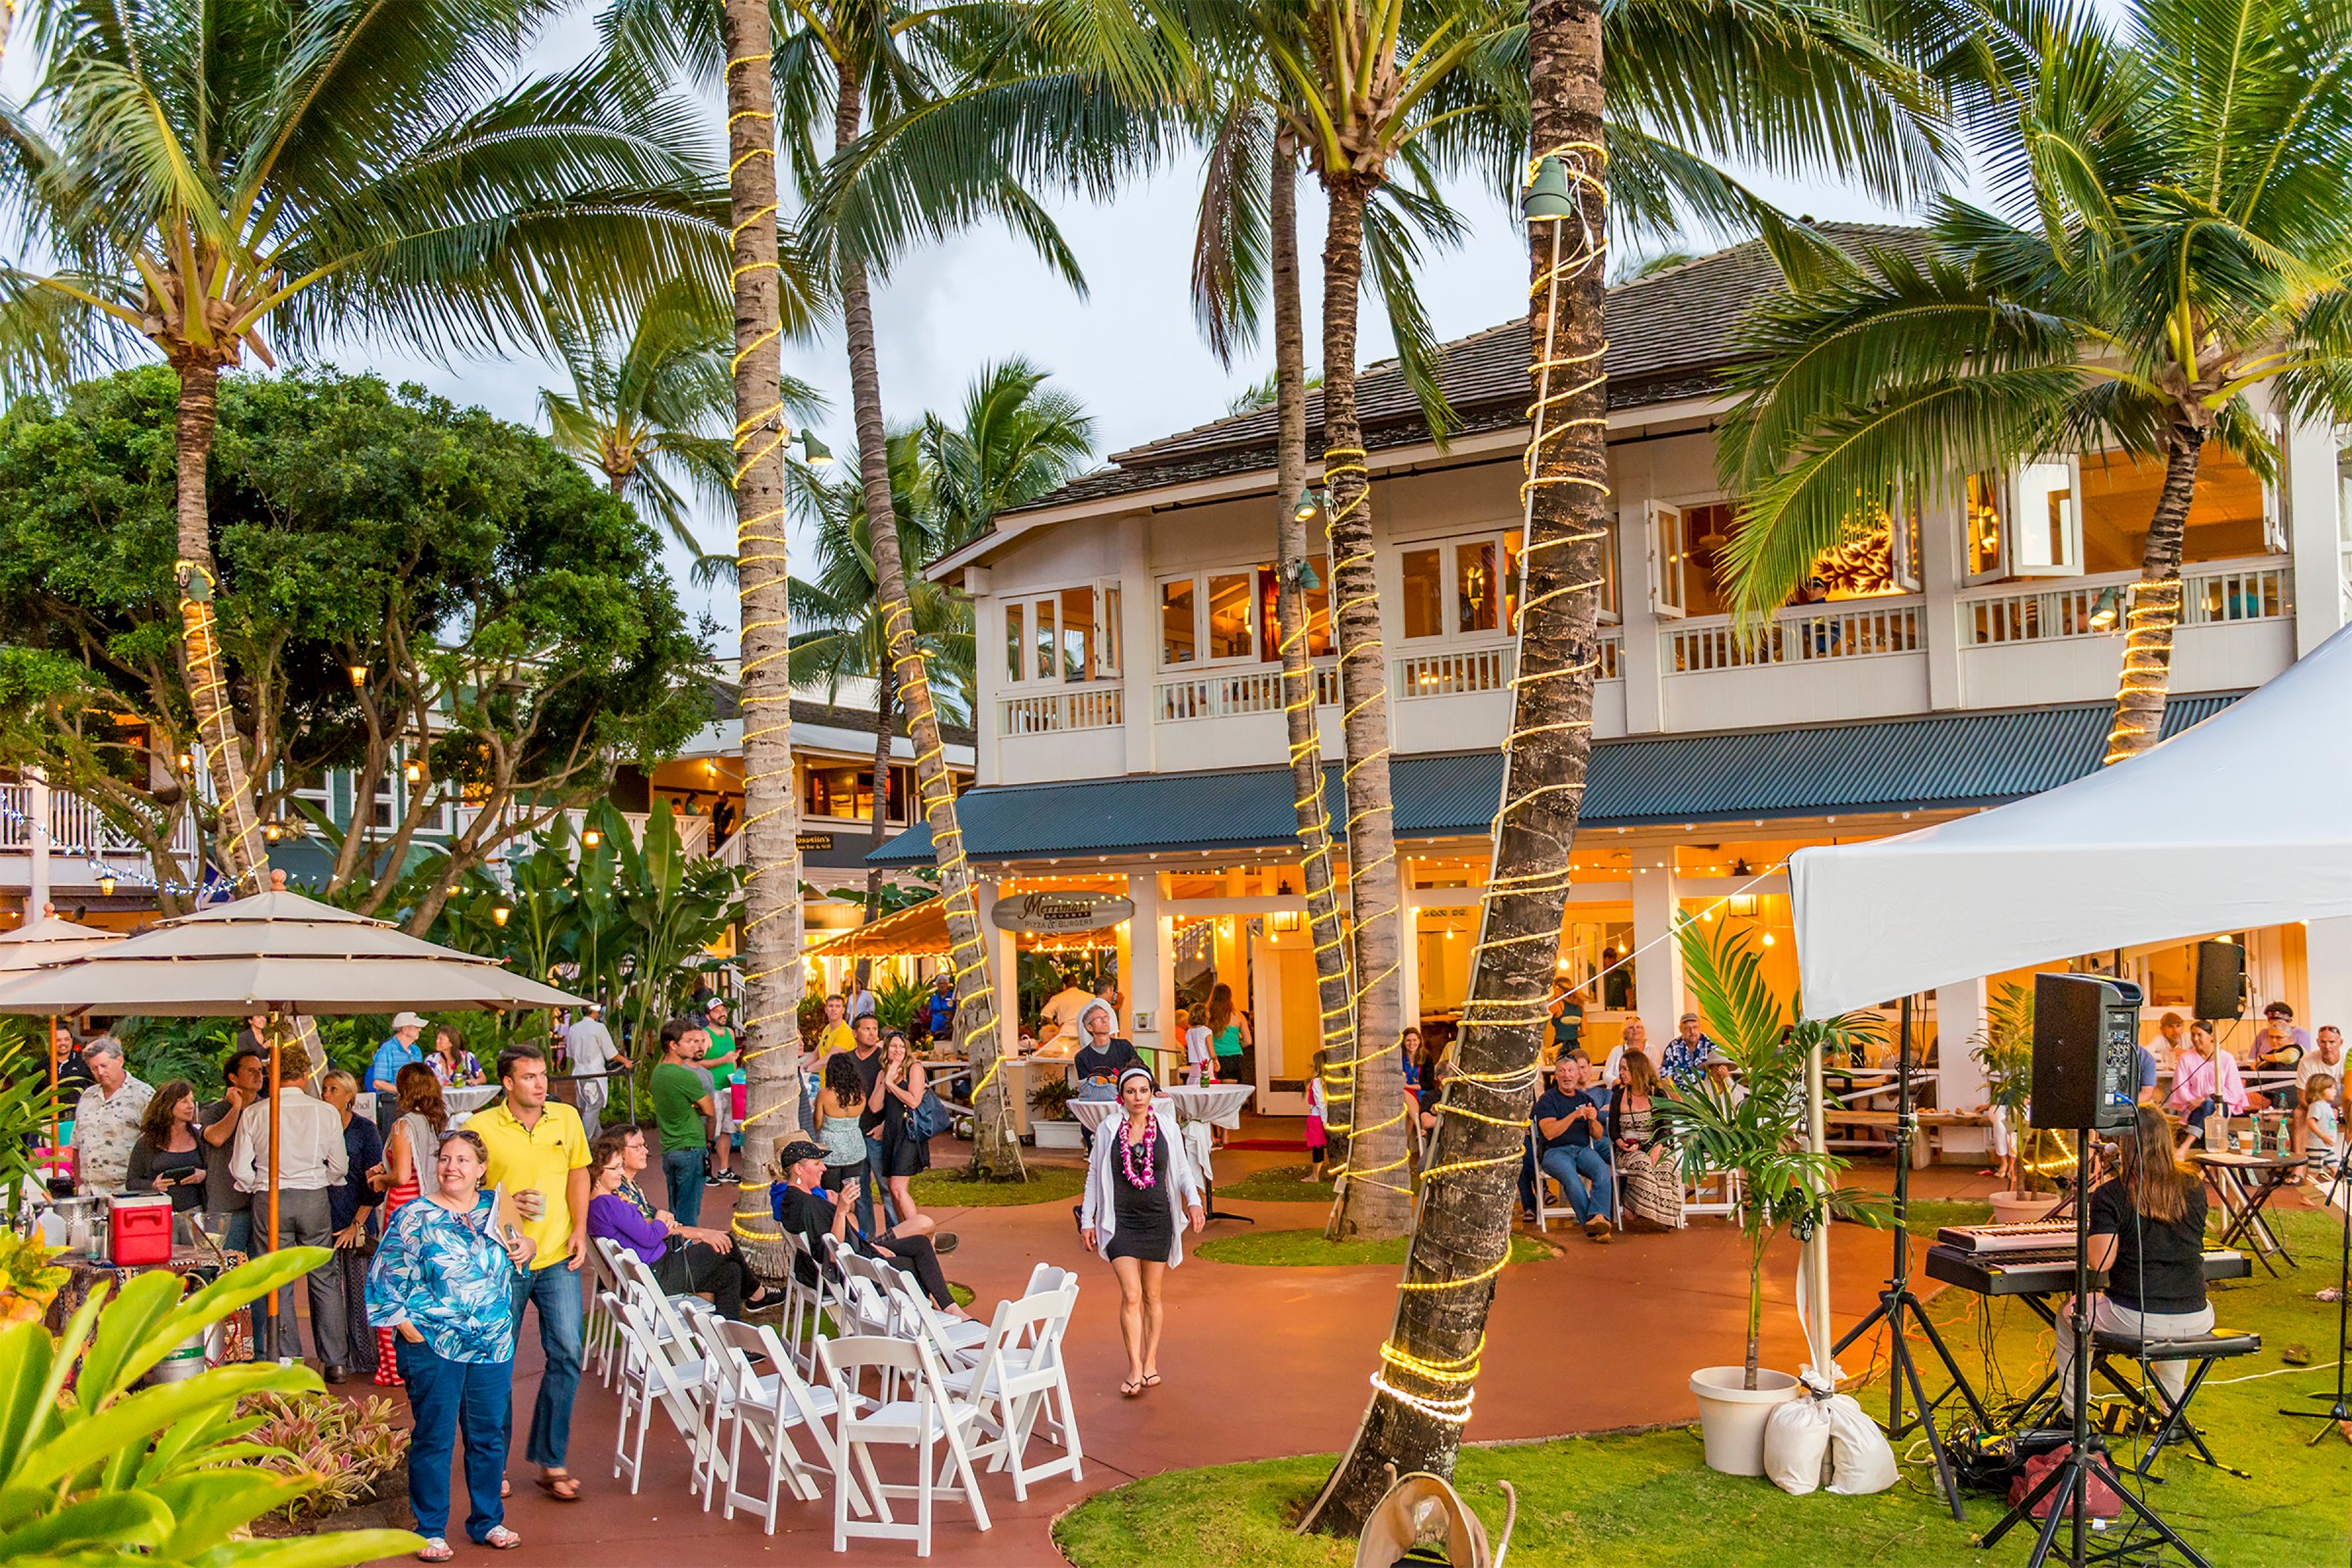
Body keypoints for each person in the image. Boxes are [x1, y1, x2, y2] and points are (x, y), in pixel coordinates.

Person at [367, 1127, 532, 1561]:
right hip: (433, 1342)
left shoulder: (497, 1204)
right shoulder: (414, 1215)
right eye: (444, 1158)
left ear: (480, 1169)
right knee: (435, 1437)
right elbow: (384, 1279)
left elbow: (523, 1246)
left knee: (488, 1435)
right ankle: (430, 1529)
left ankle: (487, 1520)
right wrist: (408, 1328)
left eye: (462, 1160)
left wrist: (528, 1244)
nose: (451, 1167)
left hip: (491, 1341)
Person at [471, 1043, 591, 1503]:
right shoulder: (479, 1127)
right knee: (497, 1360)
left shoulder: (566, 1119)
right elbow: (462, 1189)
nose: (540, 1084)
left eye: (543, 1075)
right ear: (507, 1083)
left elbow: (579, 1173)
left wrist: (580, 1228)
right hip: (503, 1258)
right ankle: (493, 1464)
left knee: (567, 1353)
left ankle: (550, 1458)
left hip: (558, 1254)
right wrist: (500, 1202)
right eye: (529, 1077)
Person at [2050, 1104, 2214, 1407]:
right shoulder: (2193, 1186)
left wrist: (2095, 1217)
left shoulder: (2112, 1194)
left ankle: (2074, 1415)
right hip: (2196, 1313)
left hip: (2135, 1315)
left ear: (2124, 1143)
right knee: (2171, 1331)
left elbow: (2100, 1262)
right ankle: (2171, 1414)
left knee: (2069, 1315)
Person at [1079, 1067, 1206, 1396]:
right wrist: (1087, 1220)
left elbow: (1181, 1169)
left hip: (1157, 1218)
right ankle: (1134, 1367)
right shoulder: (1108, 1128)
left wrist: (1193, 1201)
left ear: (1152, 1093)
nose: (1138, 1097)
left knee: (1152, 1295)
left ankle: (1150, 1362)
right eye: (1131, 1091)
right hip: (1120, 1219)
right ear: (1122, 1096)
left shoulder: (1165, 1126)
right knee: (1131, 1294)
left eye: (1144, 1090)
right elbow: (1094, 1174)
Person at [230, 1042, 351, 1370]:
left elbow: (239, 1169)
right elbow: (340, 1166)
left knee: (278, 1276)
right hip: (313, 1196)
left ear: (272, 1075)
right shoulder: (325, 1111)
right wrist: (320, 1178)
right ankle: (336, 1361)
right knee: (324, 1276)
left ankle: (286, 1359)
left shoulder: (255, 1113)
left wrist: (256, 1185)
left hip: (270, 1196)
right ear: (306, 1074)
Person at [584, 1131, 780, 1319]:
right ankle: (757, 1294)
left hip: (652, 1271)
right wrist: (661, 1217)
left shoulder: (599, 1205)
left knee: (731, 1273)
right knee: (726, 1242)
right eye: (615, 1168)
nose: (621, 1172)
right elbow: (650, 1236)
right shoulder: (608, 1204)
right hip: (658, 1273)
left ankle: (732, 1344)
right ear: (598, 1171)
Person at [769, 1138, 965, 1311]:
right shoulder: (808, 1205)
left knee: (920, 1243)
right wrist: (841, 1210)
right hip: (853, 1272)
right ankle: (931, 1315)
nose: (824, 1168)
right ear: (798, 1169)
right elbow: (832, 1253)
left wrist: (870, 1245)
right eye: (817, 1163)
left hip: (851, 1256)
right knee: (913, 1263)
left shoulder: (792, 1198)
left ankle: (948, 1307)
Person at [373, 1064, 449, 1388]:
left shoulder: (403, 1125)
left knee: (390, 1283)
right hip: (427, 1207)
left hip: (402, 1206)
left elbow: (402, 1175)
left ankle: (392, 1367)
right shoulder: (434, 1123)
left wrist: (380, 1178)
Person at [319, 1069, 387, 1384]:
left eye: (333, 1089)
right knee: (327, 1293)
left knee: (360, 1292)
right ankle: (336, 1358)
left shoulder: (365, 1130)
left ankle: (365, 1356)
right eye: (324, 1088)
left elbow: (375, 1184)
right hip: (324, 1219)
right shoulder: (317, 1128)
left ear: (349, 1096)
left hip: (358, 1218)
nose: (325, 1094)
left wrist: (356, 1223)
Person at [1532, 1054, 1614, 1241]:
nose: (1566, 1075)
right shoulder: (1547, 1100)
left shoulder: (1585, 1098)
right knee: (1571, 1178)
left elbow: (1598, 1135)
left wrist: (1593, 1120)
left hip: (1582, 1149)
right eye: (1562, 1071)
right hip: (1554, 1152)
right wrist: (1573, 1115)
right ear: (1556, 1075)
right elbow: (1550, 1132)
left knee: (1602, 1171)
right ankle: (1594, 1225)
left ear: (1578, 1074)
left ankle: (1598, 1218)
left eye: (1570, 1071)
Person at [200, 1047, 269, 1259]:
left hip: (260, 1204)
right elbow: (216, 1138)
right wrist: (236, 1108)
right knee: (227, 1268)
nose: (259, 1075)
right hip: (227, 1207)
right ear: (233, 1077)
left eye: (260, 1070)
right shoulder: (215, 1111)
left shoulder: (268, 1109)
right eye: (251, 1071)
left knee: (261, 1273)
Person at [863, 1031, 932, 1233]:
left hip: (909, 1132)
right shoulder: (883, 1073)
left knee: (897, 1188)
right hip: (891, 1133)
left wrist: (893, 1085)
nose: (898, 1050)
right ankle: (905, 1231)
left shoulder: (914, 1068)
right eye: (893, 1046)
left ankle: (923, 1234)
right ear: (886, 1049)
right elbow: (875, 1107)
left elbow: (913, 1100)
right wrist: (886, 1080)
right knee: (891, 1190)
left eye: (901, 1046)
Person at [651, 1018, 716, 1228]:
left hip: (670, 1148)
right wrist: (694, 1106)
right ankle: (686, 1255)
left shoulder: (658, 1072)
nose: (695, 1046)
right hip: (690, 1148)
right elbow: (709, 1109)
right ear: (673, 1045)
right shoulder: (685, 1077)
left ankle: (678, 1252)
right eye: (688, 1041)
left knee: (676, 1210)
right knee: (688, 1214)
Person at [1607, 1052, 1683, 1232]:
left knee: (1665, 1166)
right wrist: (1620, 1143)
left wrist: (1657, 1147)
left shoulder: (1657, 1093)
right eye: (1620, 1069)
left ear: (1637, 1068)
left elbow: (1666, 1126)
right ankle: (1647, 1209)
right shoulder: (1618, 1096)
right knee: (1642, 1163)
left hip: (1657, 1144)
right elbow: (1613, 1130)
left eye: (1625, 1068)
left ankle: (1660, 1214)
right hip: (1629, 1150)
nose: (1621, 1073)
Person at [72, 1037, 154, 1196]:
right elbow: (76, 1145)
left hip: (127, 1192)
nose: (100, 1072)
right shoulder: (88, 1096)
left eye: (104, 1065)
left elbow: (157, 1143)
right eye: (94, 1068)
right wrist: (79, 1184)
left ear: (120, 1060)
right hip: (89, 1194)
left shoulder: (143, 1095)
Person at [124, 1078, 208, 1212]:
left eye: (192, 1100)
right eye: (184, 1101)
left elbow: (217, 1173)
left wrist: (204, 1174)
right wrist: (153, 1185)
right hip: (160, 1213)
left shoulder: (200, 1138)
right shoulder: (147, 1141)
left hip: (196, 1213)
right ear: (168, 1105)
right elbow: (131, 1182)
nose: (191, 1106)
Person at [2165, 1019, 2246, 1137]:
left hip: (2220, 1106)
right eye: (2193, 1035)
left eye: (2199, 1035)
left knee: (2208, 1104)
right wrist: (2194, 1101)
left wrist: (2204, 1099)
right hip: (2193, 1107)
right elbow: (2180, 1086)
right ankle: (2202, 1142)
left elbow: (2233, 1090)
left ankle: (2188, 1142)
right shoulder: (2185, 1058)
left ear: (2211, 1036)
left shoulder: (2226, 1058)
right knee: (2206, 1107)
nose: (2195, 1039)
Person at [812, 1054, 870, 1209]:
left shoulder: (824, 1094)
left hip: (830, 1152)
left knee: (830, 1194)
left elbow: (817, 1123)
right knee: (851, 1194)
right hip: (854, 1149)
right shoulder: (861, 1095)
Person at [561, 1003, 623, 1140]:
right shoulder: (598, 1028)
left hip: (579, 1073)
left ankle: (597, 1136)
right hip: (594, 1073)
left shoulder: (574, 1028)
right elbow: (610, 1052)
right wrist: (626, 1062)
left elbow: (569, 1053)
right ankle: (584, 1140)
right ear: (595, 1012)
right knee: (595, 1104)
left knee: (590, 1104)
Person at [697, 995, 742, 1186]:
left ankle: (724, 1169)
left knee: (727, 1130)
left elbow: (733, 1059)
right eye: (717, 1011)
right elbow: (698, 1062)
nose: (722, 1013)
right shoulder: (705, 1035)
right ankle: (705, 1171)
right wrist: (722, 1061)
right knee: (709, 1130)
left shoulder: (730, 1032)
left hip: (730, 1087)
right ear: (708, 1016)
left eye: (723, 1010)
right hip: (713, 1088)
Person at [2249, 1003, 2309, 1110]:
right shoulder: (2263, 1034)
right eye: (2271, 1020)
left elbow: (2291, 1057)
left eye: (2279, 1037)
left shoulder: (2298, 1039)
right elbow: (2252, 1056)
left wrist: (2263, 1058)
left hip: (2283, 1085)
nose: (2274, 1040)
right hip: (2266, 1078)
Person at [1073, 1008, 1145, 1088]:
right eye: (1098, 1018)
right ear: (1089, 1027)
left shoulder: (1124, 1046)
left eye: (1106, 1017)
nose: (1104, 1021)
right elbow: (1086, 1087)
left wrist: (1156, 1090)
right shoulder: (1082, 1057)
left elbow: (1141, 1069)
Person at [368, 1012, 429, 1102]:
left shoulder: (416, 1050)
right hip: (393, 1101)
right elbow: (378, 1083)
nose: (420, 1029)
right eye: (416, 1027)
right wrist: (405, 1091)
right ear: (405, 1029)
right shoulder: (387, 1049)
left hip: (414, 1100)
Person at [2294, 1073, 2341, 1172]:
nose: (2334, 1091)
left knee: (2336, 1170)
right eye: (2331, 1088)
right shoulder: (2316, 1106)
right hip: (2317, 1147)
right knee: (2313, 1172)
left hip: (2327, 1147)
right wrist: (2322, 1136)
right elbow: (2310, 1121)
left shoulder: (2327, 1106)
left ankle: (2334, 1187)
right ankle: (2307, 1187)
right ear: (2320, 1090)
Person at [1041, 971, 1096, 1052]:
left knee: (1066, 1058)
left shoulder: (1058, 998)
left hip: (1066, 1033)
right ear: (1077, 983)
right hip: (1086, 1032)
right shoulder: (1090, 997)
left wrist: (1055, 1027)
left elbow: (1046, 1013)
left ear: (1064, 985)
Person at [1660, 1013, 1715, 1089]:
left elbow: (1719, 1076)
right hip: (1679, 1096)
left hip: (1704, 1096)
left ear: (1700, 1027)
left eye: (1695, 1027)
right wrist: (1677, 1098)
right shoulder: (1673, 1046)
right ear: (1680, 1029)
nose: (1692, 1031)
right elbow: (1665, 1078)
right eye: (1687, 1028)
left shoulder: (1711, 1046)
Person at [426, 1025, 483, 1090]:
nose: (437, 1041)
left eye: (441, 1039)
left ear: (451, 1043)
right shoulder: (431, 1060)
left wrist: (475, 1081)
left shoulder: (467, 1057)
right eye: (437, 1038)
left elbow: (483, 1078)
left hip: (462, 1098)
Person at [1303, 1049, 1330, 1181]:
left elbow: (1321, 1103)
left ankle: (1315, 1175)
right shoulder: (1327, 1081)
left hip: (1317, 1118)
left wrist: (1325, 1123)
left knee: (1317, 1147)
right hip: (1321, 1117)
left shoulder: (1317, 1082)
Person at [1603, 1018, 1652, 1087]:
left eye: (1638, 1027)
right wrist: (1620, 1084)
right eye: (1631, 1028)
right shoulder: (1616, 1051)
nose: (1635, 1030)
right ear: (1624, 1033)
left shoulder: (1651, 1050)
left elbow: (1657, 1074)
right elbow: (1606, 1075)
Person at [814, 994, 856, 1060]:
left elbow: (830, 1058)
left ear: (843, 1010)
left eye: (837, 1006)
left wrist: (807, 1068)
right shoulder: (827, 1029)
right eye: (830, 1006)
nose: (834, 1009)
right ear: (826, 1010)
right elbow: (816, 1053)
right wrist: (801, 1067)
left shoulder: (846, 1032)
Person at [1548, 984, 1585, 1059]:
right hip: (1574, 1045)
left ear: (1560, 990)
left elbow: (1543, 1016)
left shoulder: (1557, 1005)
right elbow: (1584, 1032)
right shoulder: (1580, 1007)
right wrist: (1571, 1035)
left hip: (1559, 1045)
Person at [923, 972, 957, 1047]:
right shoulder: (934, 998)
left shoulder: (952, 997)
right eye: (939, 983)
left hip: (948, 1030)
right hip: (935, 1029)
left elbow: (956, 1011)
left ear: (948, 984)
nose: (942, 985)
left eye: (944, 983)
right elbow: (930, 1013)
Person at [1179, 1006, 1211, 1086]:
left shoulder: (1189, 1032)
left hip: (1194, 1065)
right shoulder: (1206, 1031)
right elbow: (1210, 1049)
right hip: (1206, 1063)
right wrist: (1215, 1059)